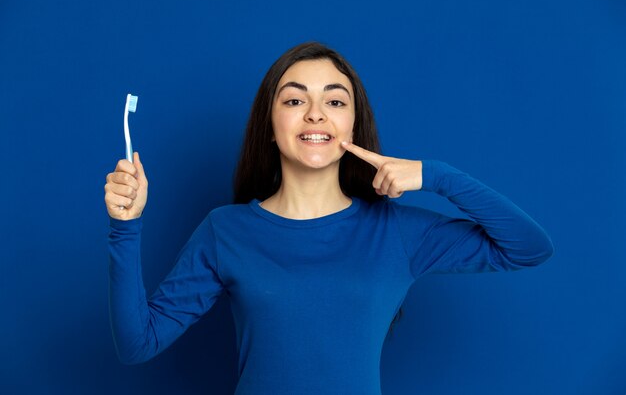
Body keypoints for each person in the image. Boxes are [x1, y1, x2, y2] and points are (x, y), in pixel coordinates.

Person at [104, 42, 554, 394]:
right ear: (271, 124)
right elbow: (137, 343)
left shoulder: (395, 232)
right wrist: (126, 228)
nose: (316, 113)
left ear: (352, 125)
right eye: (295, 101)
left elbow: (528, 247)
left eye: (335, 102)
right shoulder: (226, 232)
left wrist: (434, 175)